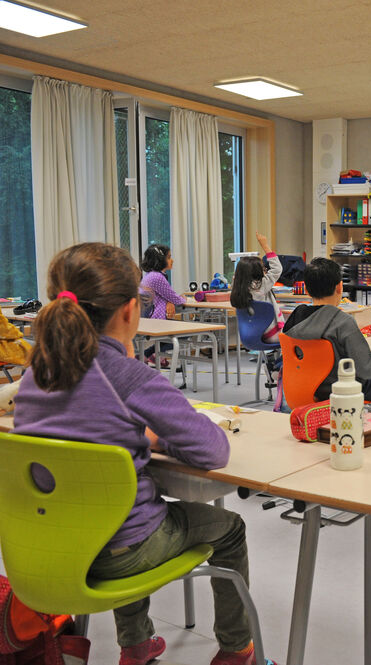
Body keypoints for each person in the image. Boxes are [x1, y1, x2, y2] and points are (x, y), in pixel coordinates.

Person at [12, 243, 269, 665]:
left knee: (113, 507)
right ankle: (237, 649)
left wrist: (135, 435)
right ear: (131, 310)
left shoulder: (35, 373)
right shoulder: (126, 376)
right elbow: (213, 450)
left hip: (49, 549)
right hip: (120, 552)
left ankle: (136, 646)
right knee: (226, 528)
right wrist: (158, 438)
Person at [284, 258, 371, 422]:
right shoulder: (342, 322)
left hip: (302, 388)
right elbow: (366, 369)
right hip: (343, 389)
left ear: (306, 289)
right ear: (339, 287)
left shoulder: (295, 317)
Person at [230, 232, 284, 344]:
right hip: (271, 335)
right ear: (258, 272)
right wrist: (265, 245)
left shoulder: (238, 288)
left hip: (250, 335)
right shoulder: (261, 285)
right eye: (263, 268)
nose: (265, 270)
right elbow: (277, 269)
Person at [139, 244, 186, 367]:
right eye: (169, 257)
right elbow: (176, 299)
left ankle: (149, 354)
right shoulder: (157, 277)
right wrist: (183, 298)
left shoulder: (151, 275)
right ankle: (153, 354)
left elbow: (167, 296)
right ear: (160, 260)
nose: (172, 260)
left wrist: (170, 301)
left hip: (149, 318)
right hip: (155, 320)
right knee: (186, 334)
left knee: (181, 332)